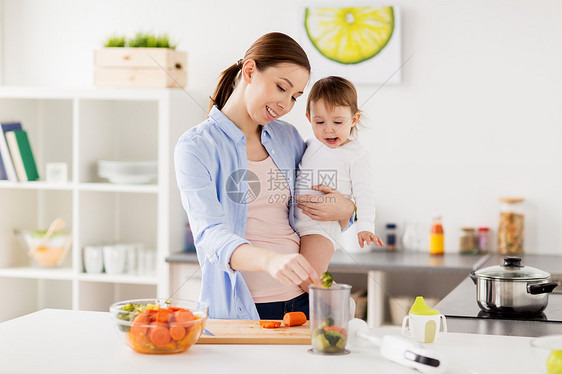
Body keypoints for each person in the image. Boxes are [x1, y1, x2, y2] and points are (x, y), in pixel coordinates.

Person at [174, 33, 355, 320]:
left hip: (303, 302)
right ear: (249, 71)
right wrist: (270, 261)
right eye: (281, 88)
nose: (286, 104)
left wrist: (348, 209)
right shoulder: (196, 146)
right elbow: (210, 234)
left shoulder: (288, 138)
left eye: (295, 96)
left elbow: (318, 203)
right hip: (242, 309)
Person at [295, 76, 385, 282]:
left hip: (320, 229)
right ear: (309, 118)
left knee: (308, 280)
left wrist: (365, 227)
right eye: (320, 122)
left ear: (354, 119)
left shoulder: (355, 154)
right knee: (295, 277)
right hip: (294, 225)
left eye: (337, 122)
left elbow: (365, 193)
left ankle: (341, 305)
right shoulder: (308, 144)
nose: (328, 129)